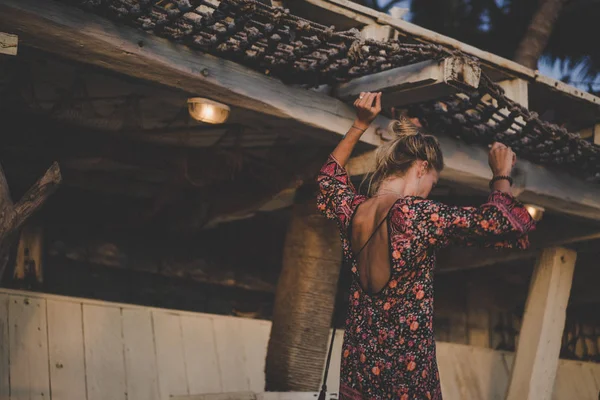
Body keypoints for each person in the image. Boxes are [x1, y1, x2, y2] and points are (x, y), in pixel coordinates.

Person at [316, 92, 536, 400]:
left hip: (359, 371)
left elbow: (329, 179)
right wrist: (501, 175)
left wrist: (359, 124)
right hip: (405, 376)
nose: (429, 192)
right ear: (421, 167)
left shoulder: (354, 211)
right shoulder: (415, 214)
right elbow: (504, 222)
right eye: (432, 182)